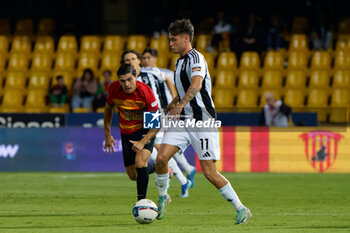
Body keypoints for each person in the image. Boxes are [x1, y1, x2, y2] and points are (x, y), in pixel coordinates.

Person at [155, 18, 251, 224]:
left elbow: (197, 84)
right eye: (169, 40)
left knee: (209, 172)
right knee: (161, 158)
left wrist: (180, 105)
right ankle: (163, 197)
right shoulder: (179, 61)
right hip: (182, 121)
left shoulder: (196, 58)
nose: (170, 44)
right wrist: (173, 104)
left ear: (185, 39)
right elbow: (184, 89)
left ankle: (241, 208)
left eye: (173, 40)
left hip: (202, 122)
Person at [121, 49, 193, 198]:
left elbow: (167, 78)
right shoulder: (127, 80)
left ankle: (172, 184)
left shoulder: (151, 73)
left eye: (133, 59)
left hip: (156, 113)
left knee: (159, 150)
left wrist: (174, 99)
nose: (130, 62)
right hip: (140, 118)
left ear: (139, 61)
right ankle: (181, 178)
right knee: (157, 151)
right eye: (127, 61)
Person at [142, 48, 197, 189]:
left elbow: (178, 90)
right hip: (154, 112)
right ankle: (187, 170)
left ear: (155, 58)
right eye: (144, 58)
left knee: (163, 145)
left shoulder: (166, 73)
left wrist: (175, 105)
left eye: (148, 58)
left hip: (165, 112)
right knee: (165, 145)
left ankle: (181, 174)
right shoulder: (142, 74)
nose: (146, 60)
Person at [104, 64, 159, 201]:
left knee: (140, 164)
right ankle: (158, 165)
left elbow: (155, 126)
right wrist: (107, 134)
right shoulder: (114, 89)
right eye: (123, 81)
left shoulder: (146, 92)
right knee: (133, 176)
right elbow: (108, 109)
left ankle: (141, 203)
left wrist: (142, 142)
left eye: (129, 79)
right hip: (126, 133)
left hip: (144, 131)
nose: (127, 84)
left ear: (136, 77)